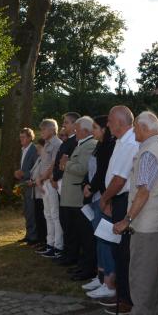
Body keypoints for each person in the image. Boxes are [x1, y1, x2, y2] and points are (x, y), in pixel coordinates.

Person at [112, 111, 158, 315]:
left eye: (136, 127)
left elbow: (143, 192)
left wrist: (127, 219)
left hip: (148, 225)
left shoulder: (149, 153)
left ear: (145, 128)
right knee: (150, 277)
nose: (133, 131)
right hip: (156, 222)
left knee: (142, 277)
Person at [97, 105, 139, 314]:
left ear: (120, 123)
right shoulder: (122, 141)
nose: (107, 125)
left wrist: (105, 199)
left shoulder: (130, 143)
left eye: (110, 121)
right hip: (119, 199)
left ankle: (127, 299)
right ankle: (121, 293)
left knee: (124, 252)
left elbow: (120, 179)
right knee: (118, 249)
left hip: (125, 200)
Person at [82, 115, 118, 299]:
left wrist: (92, 187)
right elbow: (92, 170)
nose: (92, 130)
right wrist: (86, 184)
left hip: (105, 198)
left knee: (106, 240)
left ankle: (109, 282)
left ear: (104, 129)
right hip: (97, 196)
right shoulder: (99, 145)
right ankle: (101, 275)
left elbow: (104, 173)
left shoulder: (110, 146)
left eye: (95, 127)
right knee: (99, 238)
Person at [58, 116, 97, 280]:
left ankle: (84, 265)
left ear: (85, 131)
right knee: (73, 230)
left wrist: (66, 164)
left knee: (83, 234)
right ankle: (78, 262)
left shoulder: (89, 144)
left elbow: (82, 169)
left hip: (78, 197)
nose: (75, 131)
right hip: (71, 195)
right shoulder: (82, 144)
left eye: (78, 129)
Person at [52, 112, 80, 265]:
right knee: (64, 220)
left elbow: (66, 164)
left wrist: (56, 177)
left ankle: (71, 255)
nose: (63, 125)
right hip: (60, 183)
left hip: (67, 184)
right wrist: (54, 177)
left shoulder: (75, 142)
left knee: (70, 222)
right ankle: (67, 252)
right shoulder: (67, 141)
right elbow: (59, 162)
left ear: (75, 125)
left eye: (66, 122)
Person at [35, 118, 64, 257]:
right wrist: (40, 179)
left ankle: (58, 246)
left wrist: (41, 178)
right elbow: (43, 164)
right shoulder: (46, 144)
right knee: (47, 214)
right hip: (44, 182)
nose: (41, 132)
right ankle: (50, 243)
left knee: (55, 215)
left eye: (44, 129)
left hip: (52, 182)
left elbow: (53, 165)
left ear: (52, 130)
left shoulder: (57, 143)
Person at [15, 128, 39, 244]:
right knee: (26, 210)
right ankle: (28, 234)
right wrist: (18, 173)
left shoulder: (34, 150)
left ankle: (33, 237)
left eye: (23, 137)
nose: (21, 139)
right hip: (24, 184)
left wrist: (24, 174)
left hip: (32, 185)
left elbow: (37, 169)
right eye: (20, 137)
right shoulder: (23, 150)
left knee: (31, 211)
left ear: (30, 138)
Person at [30, 138, 49, 250]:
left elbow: (43, 175)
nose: (37, 150)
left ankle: (44, 240)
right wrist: (32, 181)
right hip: (36, 192)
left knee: (43, 218)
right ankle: (41, 239)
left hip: (42, 193)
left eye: (39, 148)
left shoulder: (45, 160)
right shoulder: (39, 159)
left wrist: (34, 181)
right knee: (38, 217)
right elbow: (34, 173)